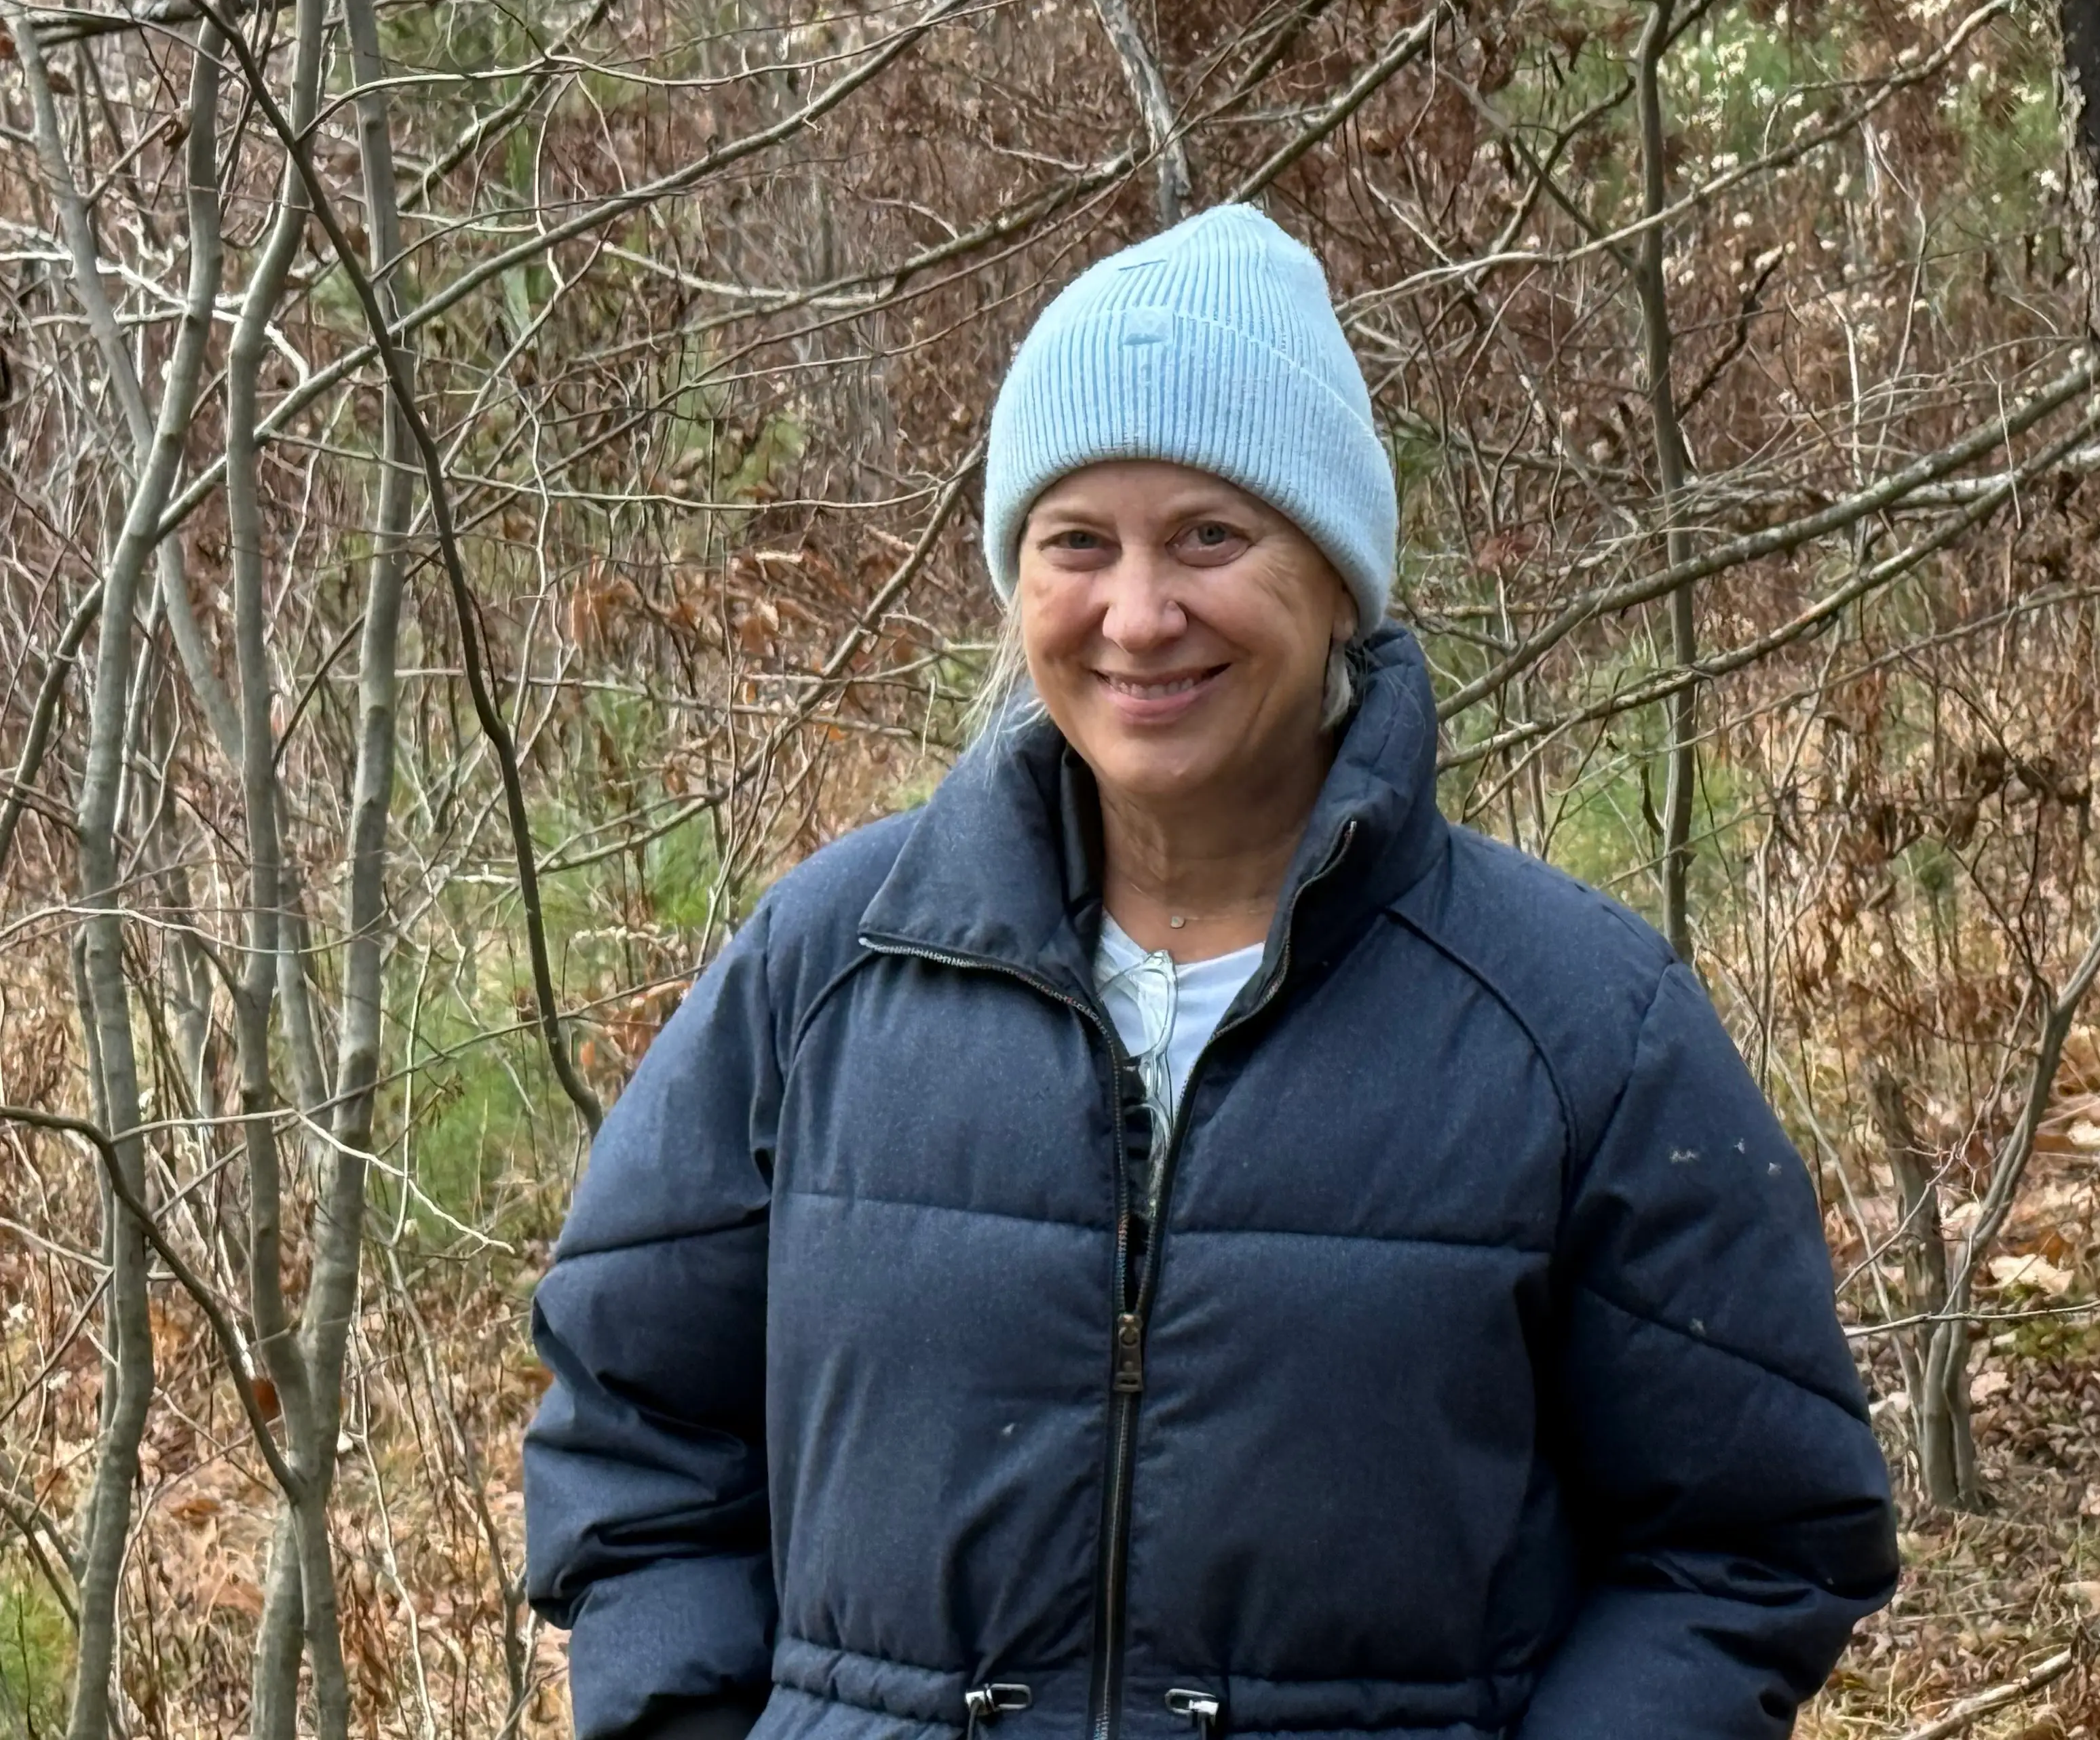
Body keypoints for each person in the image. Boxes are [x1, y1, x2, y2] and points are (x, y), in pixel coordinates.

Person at [522, 205, 1898, 1740]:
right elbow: (634, 1430)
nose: (1137, 615)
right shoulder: (829, 970)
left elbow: (1750, 1537)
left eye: (1209, 538)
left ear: (1334, 580)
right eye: (1076, 543)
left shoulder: (1582, 1026)